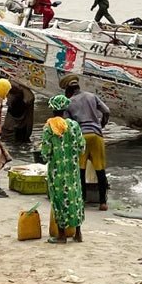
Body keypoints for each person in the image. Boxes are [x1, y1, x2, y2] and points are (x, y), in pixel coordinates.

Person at [41, 93, 87, 243]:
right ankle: (78, 233)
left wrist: (47, 156)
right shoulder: (74, 125)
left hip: (57, 171)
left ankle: (61, 235)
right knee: (75, 198)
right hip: (73, 169)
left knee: (59, 199)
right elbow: (81, 147)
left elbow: (46, 152)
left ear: (53, 110)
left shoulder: (50, 127)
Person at [63, 74, 111, 210]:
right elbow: (107, 111)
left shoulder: (69, 102)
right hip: (96, 135)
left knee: (80, 170)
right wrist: (101, 124)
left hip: (81, 136)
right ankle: (103, 202)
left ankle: (82, 200)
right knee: (100, 169)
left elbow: (68, 124)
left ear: (68, 90)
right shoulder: (91, 96)